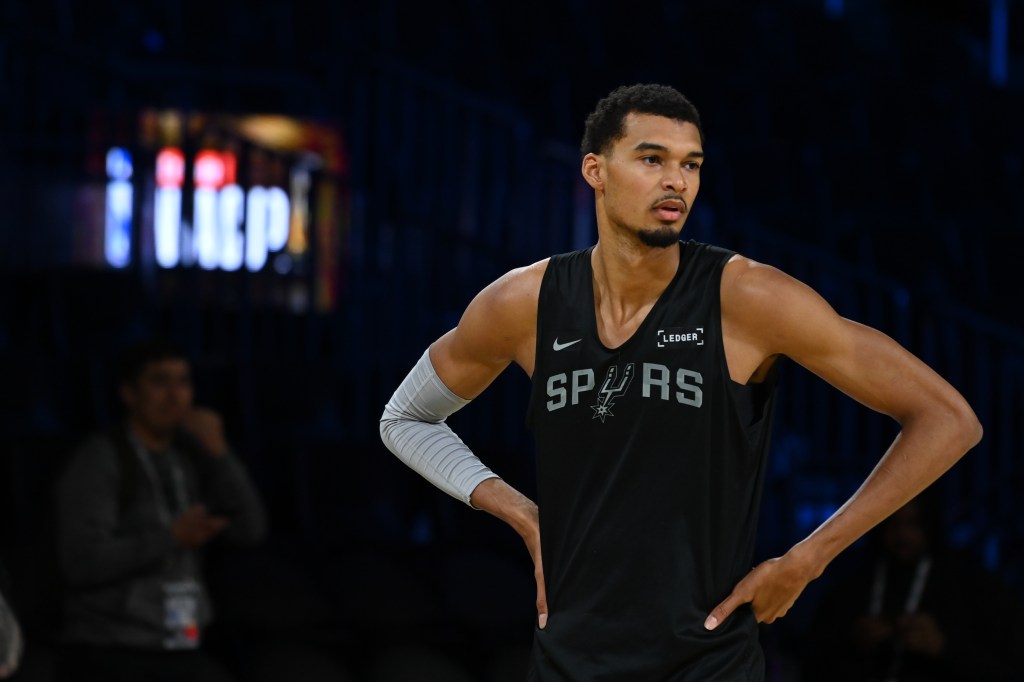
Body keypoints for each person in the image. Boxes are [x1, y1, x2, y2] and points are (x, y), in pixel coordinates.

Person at [379, 84, 982, 680]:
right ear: (596, 169)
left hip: (707, 660)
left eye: (690, 164)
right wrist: (522, 513)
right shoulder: (523, 304)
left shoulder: (747, 297)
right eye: (652, 159)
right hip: (568, 657)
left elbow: (947, 419)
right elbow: (403, 418)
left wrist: (808, 558)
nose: (678, 181)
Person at [54, 339, 267, 682]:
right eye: (159, 381)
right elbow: (81, 562)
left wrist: (220, 453)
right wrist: (170, 538)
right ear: (129, 393)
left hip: (181, 642)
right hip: (112, 646)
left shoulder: (189, 457)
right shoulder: (100, 460)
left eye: (183, 382)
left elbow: (250, 530)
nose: (174, 395)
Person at [803, 492, 1020, 681]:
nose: (903, 535)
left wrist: (943, 647)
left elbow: (1005, 669)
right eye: (893, 523)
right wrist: (855, 643)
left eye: (914, 523)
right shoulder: (852, 582)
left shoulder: (970, 585)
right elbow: (813, 662)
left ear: (930, 525)